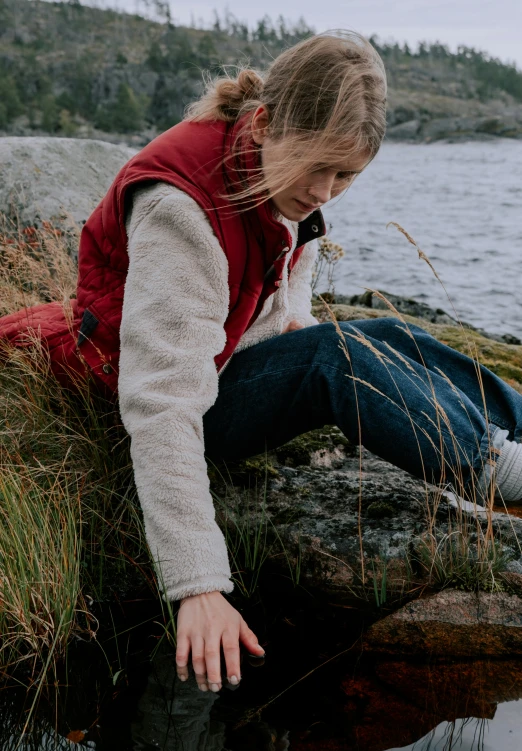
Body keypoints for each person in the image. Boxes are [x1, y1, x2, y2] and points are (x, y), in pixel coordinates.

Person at [2, 31, 522, 695]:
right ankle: (497, 472)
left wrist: (294, 334)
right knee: (335, 358)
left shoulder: (277, 169)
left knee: (384, 331)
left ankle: (517, 428)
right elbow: (160, 405)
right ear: (267, 122)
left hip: (217, 363)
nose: (326, 191)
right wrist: (198, 584)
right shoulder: (179, 209)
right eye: (318, 167)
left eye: (347, 175)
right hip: (144, 395)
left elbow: (285, 283)